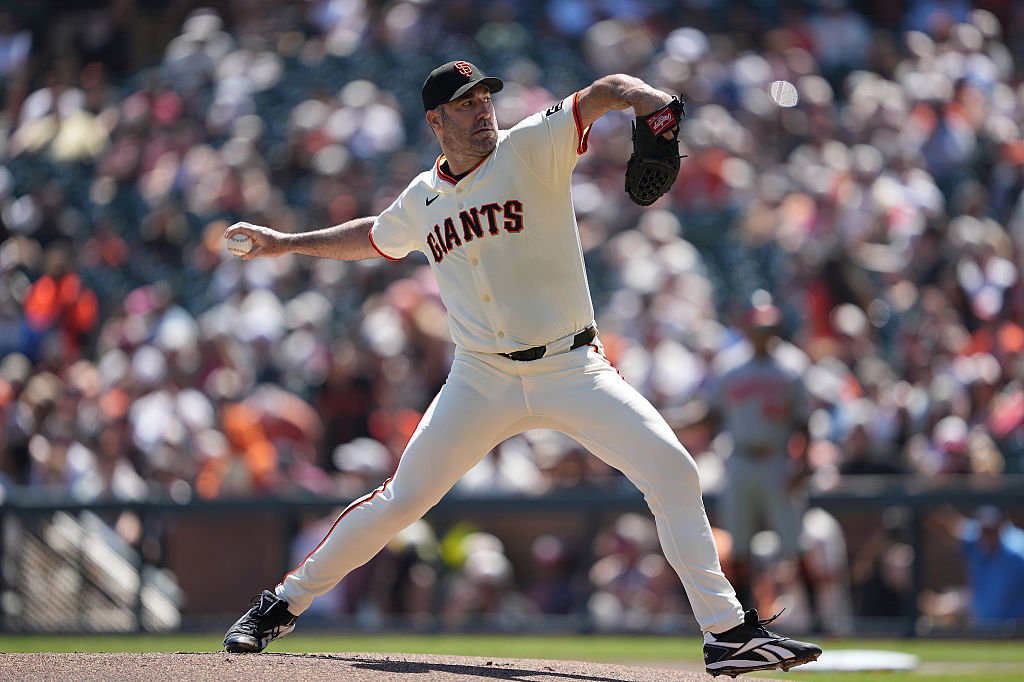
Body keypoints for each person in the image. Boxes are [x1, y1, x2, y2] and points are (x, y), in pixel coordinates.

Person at [220, 60, 821, 677]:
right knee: (401, 501)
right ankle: (279, 606)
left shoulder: (531, 144)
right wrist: (286, 243)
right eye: (465, 103)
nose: (482, 109)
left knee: (672, 471)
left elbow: (607, 92)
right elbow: (377, 236)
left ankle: (726, 632)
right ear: (436, 121)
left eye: (485, 97)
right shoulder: (422, 199)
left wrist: (653, 104)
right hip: (482, 378)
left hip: (572, 366)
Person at [667, 300, 814, 614]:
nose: (764, 333)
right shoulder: (730, 365)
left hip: (777, 459)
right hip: (741, 459)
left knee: (793, 542)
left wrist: (804, 463)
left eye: (768, 327)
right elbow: (712, 416)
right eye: (759, 327)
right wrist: (672, 423)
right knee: (740, 542)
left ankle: (818, 619)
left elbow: (804, 422)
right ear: (748, 328)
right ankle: (745, 617)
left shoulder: (791, 365)